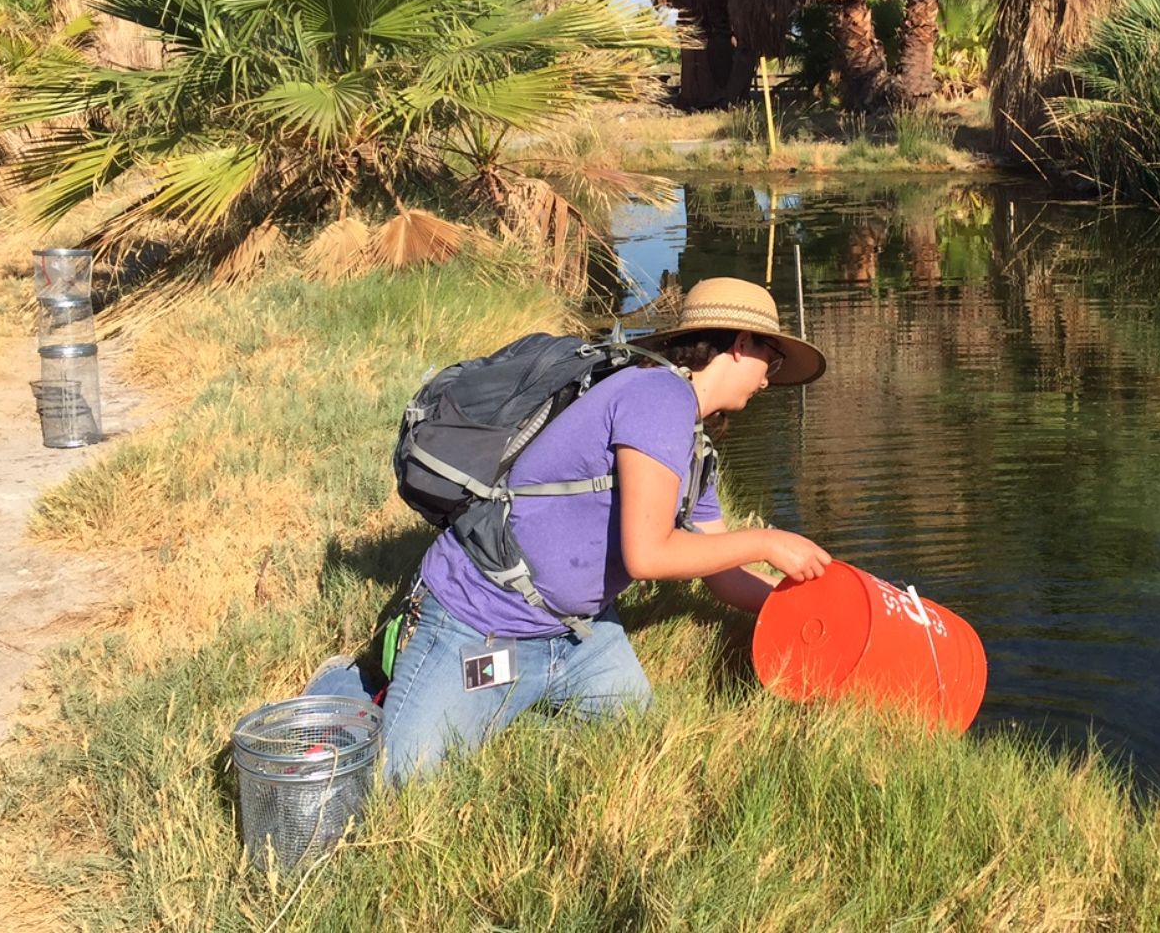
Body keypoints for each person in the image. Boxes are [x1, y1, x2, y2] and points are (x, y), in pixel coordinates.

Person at [319, 277, 833, 783]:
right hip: (487, 630)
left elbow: (724, 576)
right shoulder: (658, 398)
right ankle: (345, 684)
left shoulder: (696, 448)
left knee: (640, 745)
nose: (769, 379)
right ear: (741, 346)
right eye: (774, 358)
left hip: (581, 639)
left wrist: (808, 613)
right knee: (403, 779)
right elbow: (648, 556)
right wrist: (767, 540)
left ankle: (512, 700)